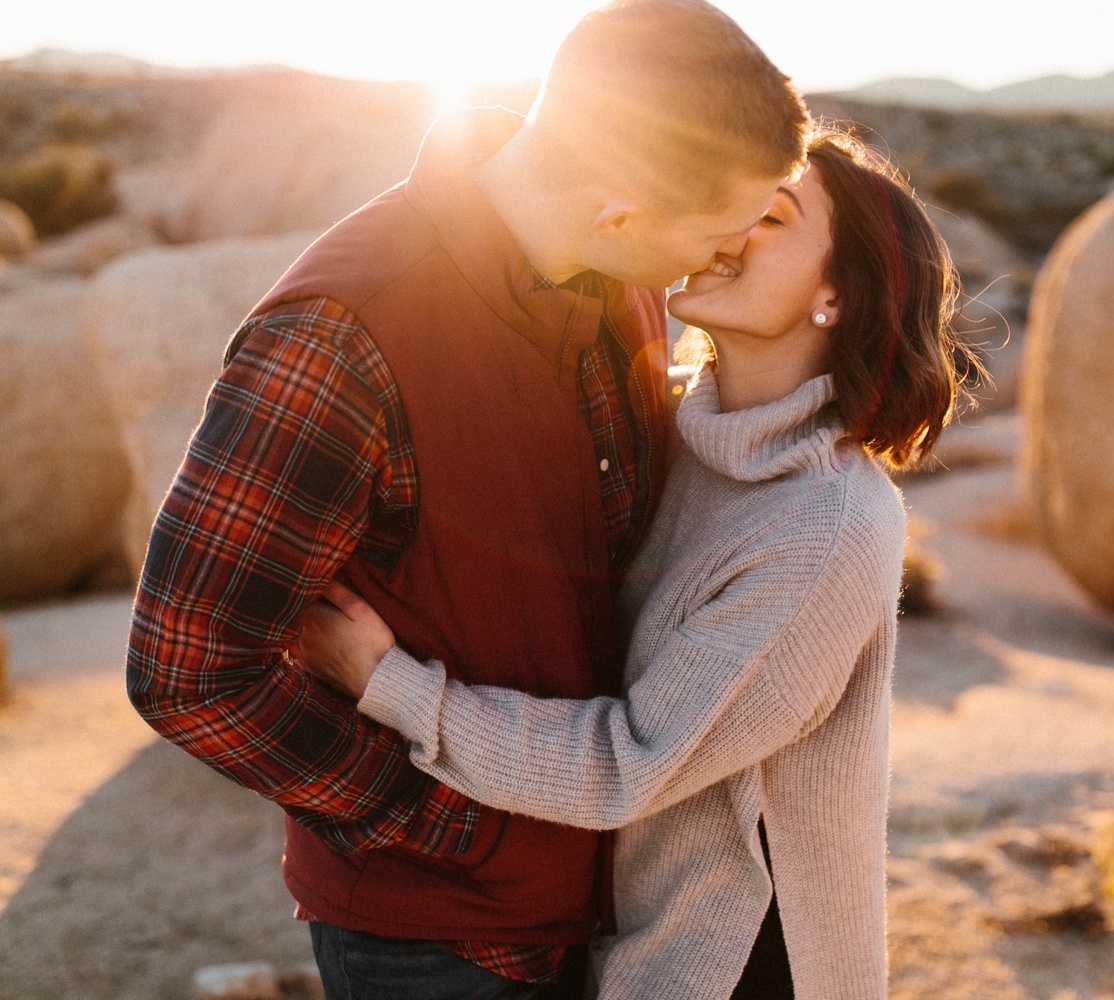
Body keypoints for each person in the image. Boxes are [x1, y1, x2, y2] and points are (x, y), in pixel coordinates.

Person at [123, 3, 810, 998]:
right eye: (717, 234)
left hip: (618, 904)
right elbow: (186, 668)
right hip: (441, 947)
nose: (724, 259)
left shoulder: (625, 283)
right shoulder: (344, 333)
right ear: (618, 210)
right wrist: (442, 825)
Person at [293, 129, 978, 999]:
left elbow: (628, 764)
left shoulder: (827, 528)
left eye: (769, 214)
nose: (727, 227)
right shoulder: (672, 430)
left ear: (837, 297)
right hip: (618, 929)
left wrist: (386, 680)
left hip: (733, 962)